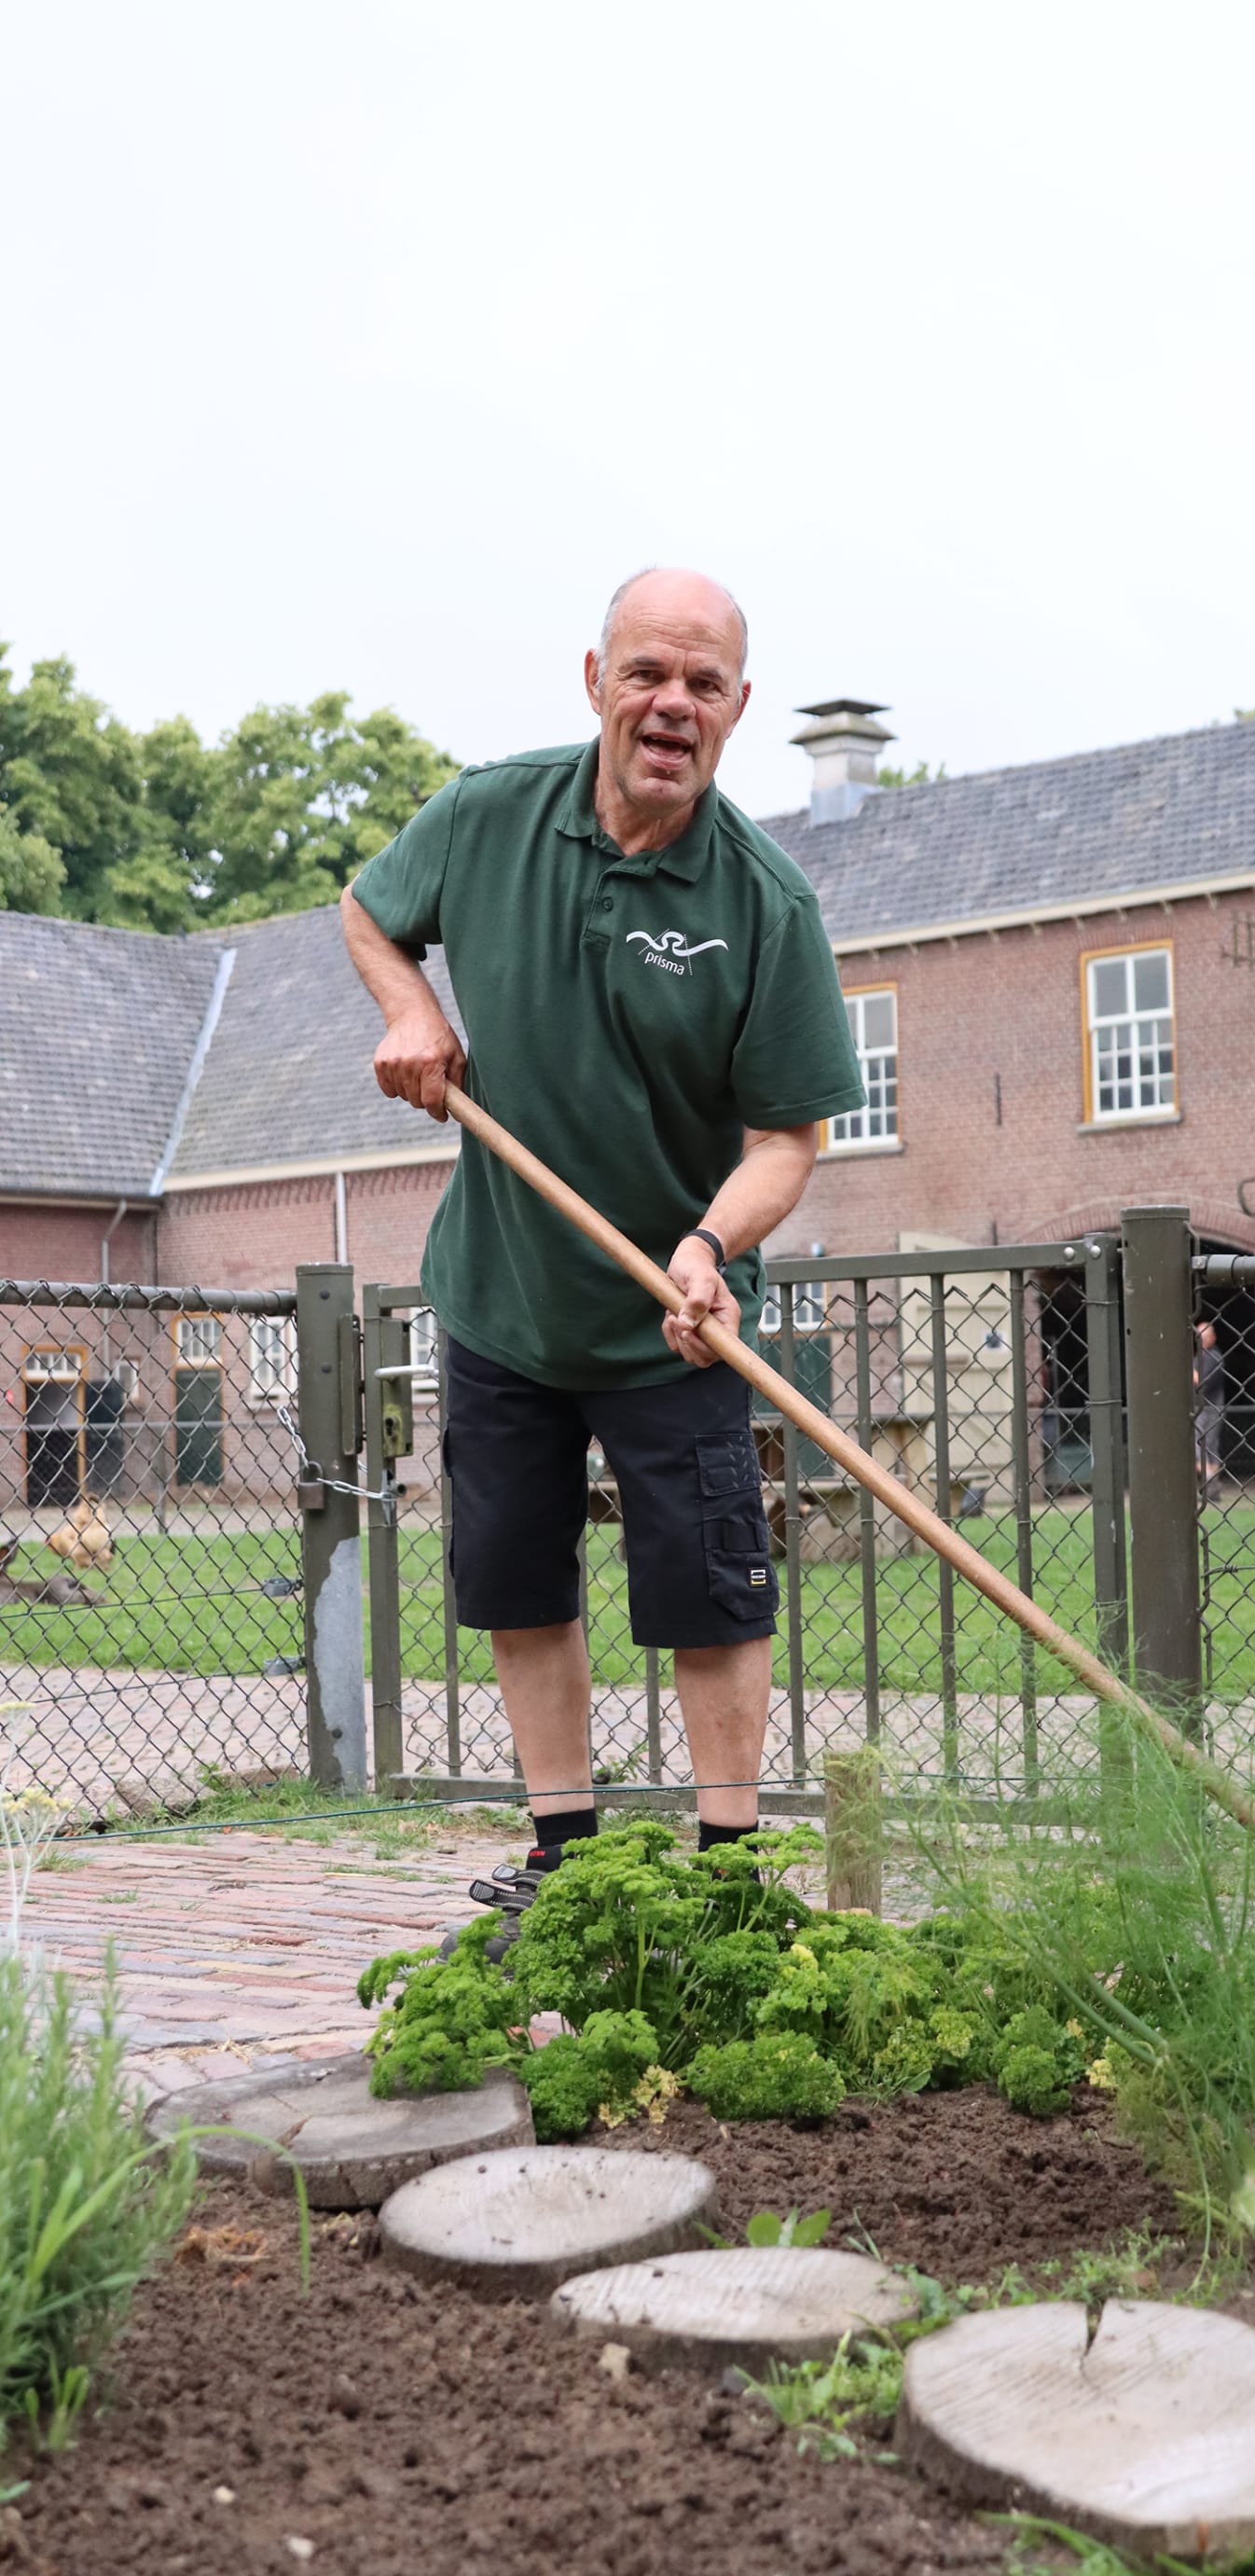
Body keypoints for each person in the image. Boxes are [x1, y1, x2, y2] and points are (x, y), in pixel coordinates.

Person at [340, 568, 865, 1875]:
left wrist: (706, 1248)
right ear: (596, 681)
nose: (670, 704)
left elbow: (787, 1139)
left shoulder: (762, 903)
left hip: (666, 1319)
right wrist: (413, 1012)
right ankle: (560, 1860)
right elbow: (368, 911)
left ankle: (731, 1871)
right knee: (523, 1588)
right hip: (503, 1303)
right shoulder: (487, 818)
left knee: (712, 1598)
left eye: (701, 683)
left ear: (739, 708)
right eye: (647, 673)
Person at [1194, 1318, 1227, 1491]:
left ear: (1213, 1337)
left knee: (1203, 1447)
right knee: (1205, 1449)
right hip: (1202, 1409)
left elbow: (1201, 1381)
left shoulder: (1212, 1357)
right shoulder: (1200, 1357)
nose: (1202, 1339)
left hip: (1210, 1409)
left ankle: (1211, 1482)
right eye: (1199, 1336)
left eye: (1205, 1335)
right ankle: (1212, 1484)